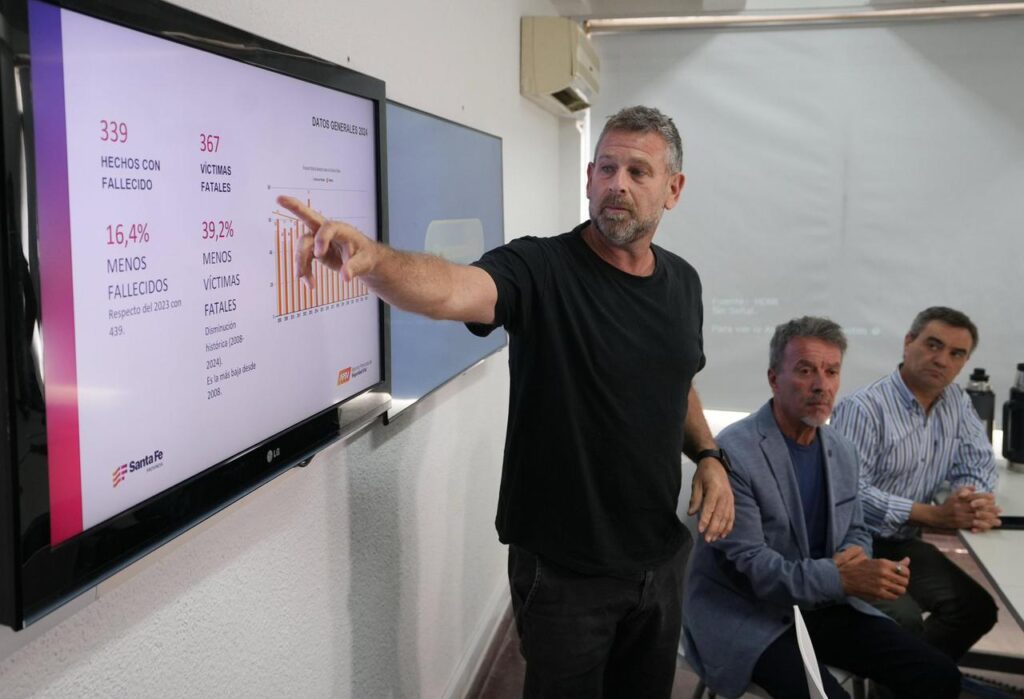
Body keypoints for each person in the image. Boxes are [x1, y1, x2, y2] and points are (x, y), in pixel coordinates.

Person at [278, 105, 735, 698]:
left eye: (638, 172)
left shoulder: (684, 283)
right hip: (566, 574)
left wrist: (708, 455)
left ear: (673, 189)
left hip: (660, 560)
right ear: (589, 178)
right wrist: (376, 261)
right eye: (607, 168)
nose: (617, 184)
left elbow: (678, 379)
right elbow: (453, 291)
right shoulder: (540, 268)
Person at [682, 317, 960, 699]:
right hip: (747, 612)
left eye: (831, 372)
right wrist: (841, 578)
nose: (821, 385)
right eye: (805, 370)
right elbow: (758, 571)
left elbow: (856, 527)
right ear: (773, 379)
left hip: (820, 605)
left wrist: (855, 556)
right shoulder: (733, 453)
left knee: (939, 674)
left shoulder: (841, 450)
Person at [831, 306, 1001, 660]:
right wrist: (932, 515)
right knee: (904, 622)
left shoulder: (956, 401)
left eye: (956, 354)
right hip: (849, 542)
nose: (942, 360)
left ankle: (908, 680)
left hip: (902, 542)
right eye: (933, 345)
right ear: (909, 343)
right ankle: (910, 676)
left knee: (976, 609)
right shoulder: (863, 407)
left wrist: (970, 499)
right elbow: (849, 494)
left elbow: (979, 461)